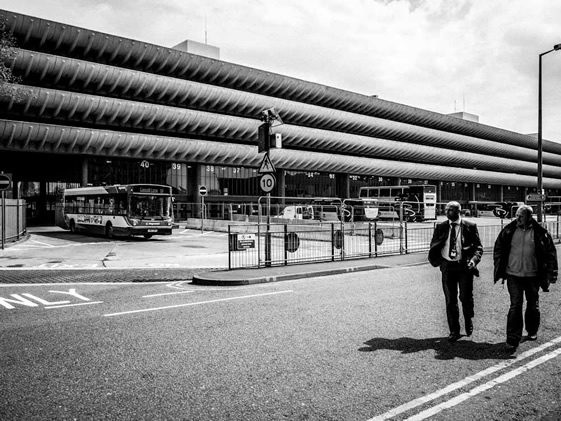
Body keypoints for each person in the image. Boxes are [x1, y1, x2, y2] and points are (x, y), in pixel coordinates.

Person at [493, 204, 558, 352]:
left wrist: (552, 274)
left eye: (521, 216)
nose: (518, 218)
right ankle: (512, 339)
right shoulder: (509, 230)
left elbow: (550, 254)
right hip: (513, 275)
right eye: (516, 215)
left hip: (533, 276)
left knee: (532, 304)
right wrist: (499, 266)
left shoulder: (540, 233)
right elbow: (499, 248)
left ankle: (532, 330)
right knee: (515, 306)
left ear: (529, 217)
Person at [429, 201, 483, 342]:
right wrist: (440, 262)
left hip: (464, 267)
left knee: (465, 297)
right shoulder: (441, 227)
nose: (447, 212)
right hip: (448, 266)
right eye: (446, 210)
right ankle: (454, 330)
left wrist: (473, 260)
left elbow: (478, 248)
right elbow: (434, 244)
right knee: (450, 300)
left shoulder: (470, 226)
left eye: (450, 210)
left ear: (458, 211)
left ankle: (468, 319)